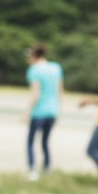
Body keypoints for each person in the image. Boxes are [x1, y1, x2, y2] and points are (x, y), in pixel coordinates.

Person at [25, 44, 63, 180]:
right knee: (45, 142)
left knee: (30, 142)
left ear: (34, 56)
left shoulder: (33, 70)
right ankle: (47, 169)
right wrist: (58, 111)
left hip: (38, 111)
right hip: (52, 111)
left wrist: (26, 112)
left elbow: (35, 94)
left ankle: (32, 171)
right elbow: (59, 91)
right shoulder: (56, 68)